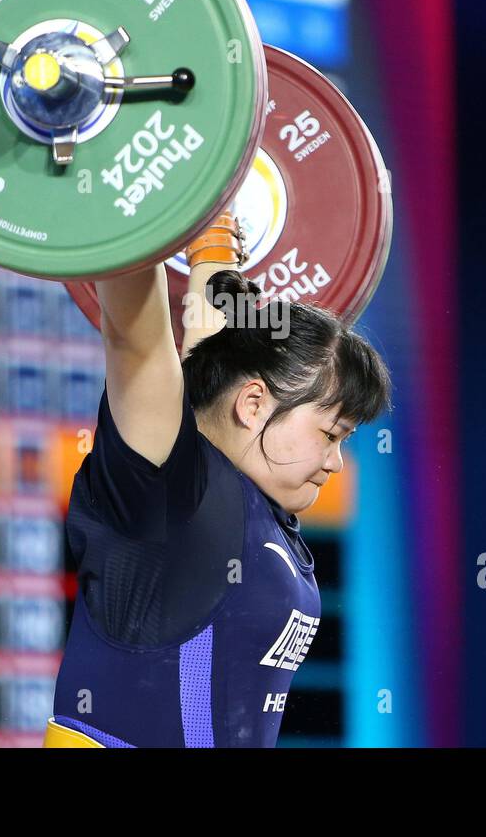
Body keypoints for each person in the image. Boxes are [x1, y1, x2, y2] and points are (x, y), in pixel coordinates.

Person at [44, 209, 393, 747]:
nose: (336, 461)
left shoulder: (248, 506)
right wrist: (131, 196)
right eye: (331, 433)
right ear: (253, 403)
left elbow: (203, 347)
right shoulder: (168, 494)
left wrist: (212, 237)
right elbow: (135, 341)